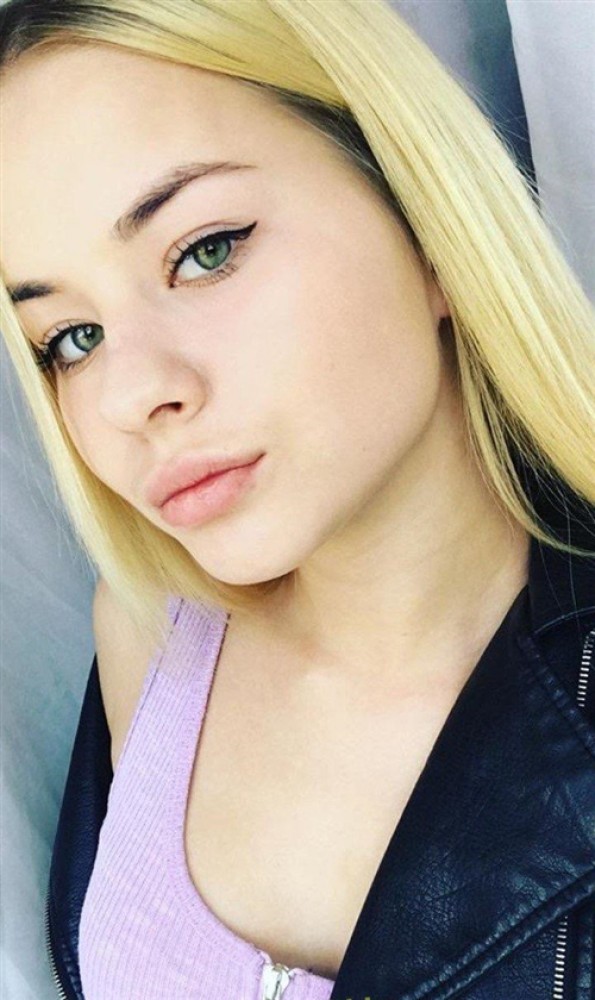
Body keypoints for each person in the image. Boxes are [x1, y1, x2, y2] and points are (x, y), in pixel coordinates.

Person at [0, 1, 593, 998]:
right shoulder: (153, 634)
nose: (132, 395)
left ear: (424, 215)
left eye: (205, 250)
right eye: (71, 338)